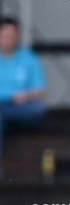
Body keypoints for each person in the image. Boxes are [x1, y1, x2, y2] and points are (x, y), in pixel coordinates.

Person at [0, 17, 46, 179]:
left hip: (21, 108)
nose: (9, 40)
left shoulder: (29, 58)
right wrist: (8, 96)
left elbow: (40, 91)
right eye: (5, 35)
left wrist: (24, 96)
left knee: (36, 109)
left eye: (13, 36)